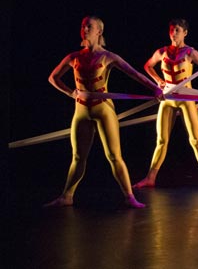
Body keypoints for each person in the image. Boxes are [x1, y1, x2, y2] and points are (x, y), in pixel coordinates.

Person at [46, 16, 162, 208]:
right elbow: (53, 78)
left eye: (88, 26)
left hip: (103, 109)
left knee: (114, 156)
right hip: (81, 111)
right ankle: (67, 196)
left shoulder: (108, 57)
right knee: (77, 156)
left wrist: (155, 89)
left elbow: (134, 73)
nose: (84, 29)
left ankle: (129, 197)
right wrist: (70, 92)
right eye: (83, 26)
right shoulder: (73, 57)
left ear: (99, 31)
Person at [134, 19, 198, 188]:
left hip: (186, 99)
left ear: (185, 33)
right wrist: (158, 81)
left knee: (195, 140)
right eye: (171, 30)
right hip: (168, 99)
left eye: (177, 30)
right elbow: (148, 66)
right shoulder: (162, 52)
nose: (173, 33)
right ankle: (151, 177)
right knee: (162, 140)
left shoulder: (190, 52)